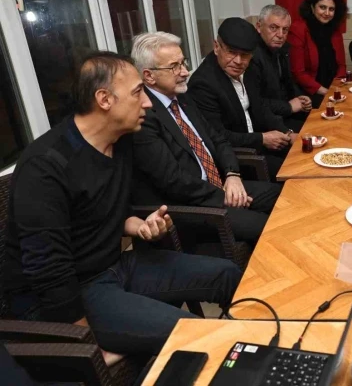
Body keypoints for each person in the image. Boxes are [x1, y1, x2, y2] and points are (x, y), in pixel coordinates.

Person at [4, 52, 241, 358]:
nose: (147, 103)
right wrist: (85, 346)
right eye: (137, 92)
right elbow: (48, 271)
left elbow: (101, 211)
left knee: (228, 274)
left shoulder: (122, 140)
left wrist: (138, 225)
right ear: (104, 99)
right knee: (196, 334)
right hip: (70, 291)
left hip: (114, 266)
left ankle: (263, 357)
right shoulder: (45, 166)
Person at [130, 32, 281, 247]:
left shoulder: (183, 97)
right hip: (192, 206)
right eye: (174, 67)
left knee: (283, 197)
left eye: (183, 62)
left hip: (218, 184)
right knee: (269, 227)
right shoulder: (143, 117)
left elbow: (218, 139)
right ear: (149, 76)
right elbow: (174, 181)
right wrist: (222, 195)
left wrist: (232, 174)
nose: (185, 72)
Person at [188, 18, 296, 180]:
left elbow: (260, 107)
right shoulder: (203, 83)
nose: (238, 61)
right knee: (293, 174)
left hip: (259, 143)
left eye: (245, 55)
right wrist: (262, 139)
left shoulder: (248, 67)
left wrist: (287, 132)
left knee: (305, 155)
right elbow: (217, 135)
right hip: (237, 159)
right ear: (216, 47)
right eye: (231, 52)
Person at [251, 4, 312, 132]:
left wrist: (301, 98)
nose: (280, 35)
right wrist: (288, 106)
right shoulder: (252, 55)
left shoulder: (282, 49)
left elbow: (287, 83)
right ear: (259, 27)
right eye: (273, 28)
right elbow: (254, 102)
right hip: (266, 124)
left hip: (284, 114)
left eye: (285, 29)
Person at [288, 0, 348, 108]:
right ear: (312, 7)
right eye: (322, 7)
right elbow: (298, 73)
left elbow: (341, 65)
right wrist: (325, 92)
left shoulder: (335, 30)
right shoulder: (298, 29)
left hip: (334, 89)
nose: (327, 13)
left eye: (331, 9)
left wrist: (336, 88)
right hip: (308, 93)